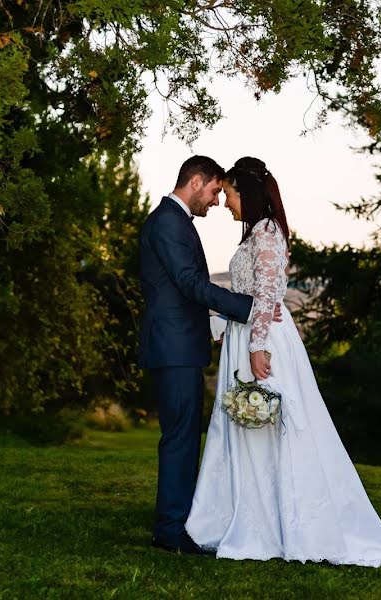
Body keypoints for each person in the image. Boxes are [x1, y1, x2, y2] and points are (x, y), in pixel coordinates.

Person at [186, 157, 381, 568]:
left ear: (244, 192)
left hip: (262, 343)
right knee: (249, 432)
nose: (227, 203)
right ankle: (247, 516)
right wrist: (223, 327)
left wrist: (257, 346)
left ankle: (276, 525)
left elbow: (267, 295)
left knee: (268, 428)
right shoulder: (255, 234)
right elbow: (252, 298)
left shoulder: (266, 233)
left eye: (229, 194)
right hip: (248, 335)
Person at [138, 155, 281, 554]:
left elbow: (182, 289)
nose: (217, 201)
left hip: (180, 343)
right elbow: (188, 283)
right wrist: (248, 307)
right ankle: (170, 530)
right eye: (216, 190)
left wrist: (216, 320)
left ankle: (179, 522)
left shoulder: (176, 221)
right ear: (197, 181)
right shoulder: (169, 221)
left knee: (183, 437)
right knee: (180, 439)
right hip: (173, 348)